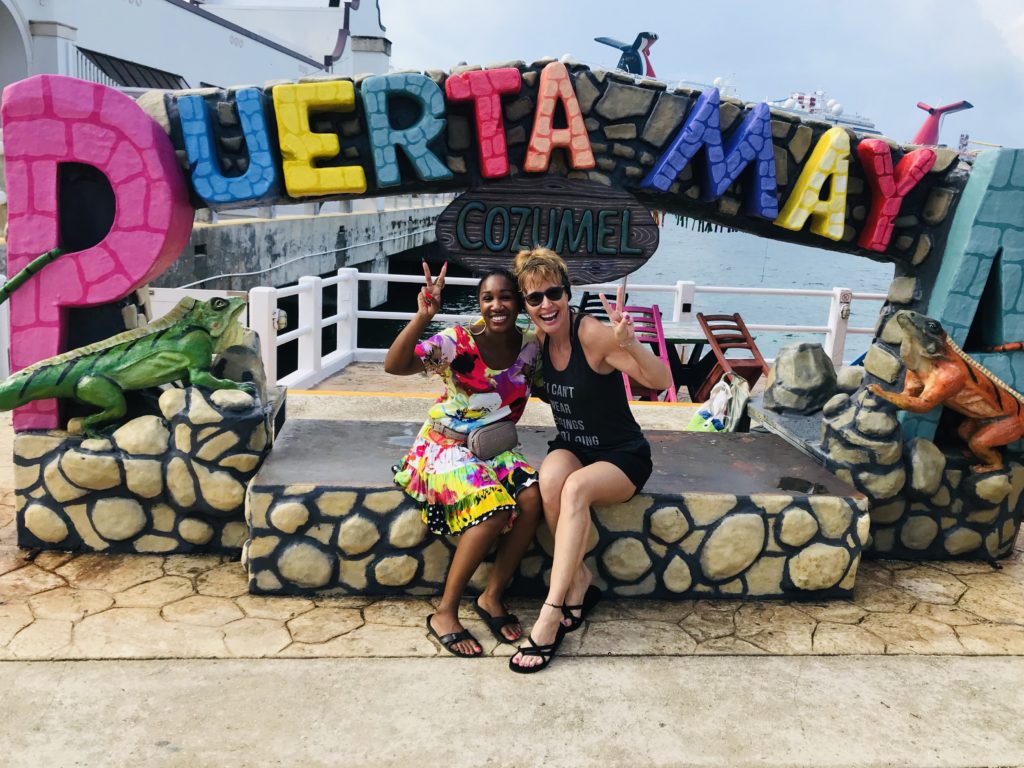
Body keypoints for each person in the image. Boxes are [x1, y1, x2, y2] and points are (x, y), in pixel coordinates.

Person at [508, 248, 672, 673]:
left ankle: (550, 612)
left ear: (567, 292)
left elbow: (660, 381)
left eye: (553, 293)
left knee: (575, 487)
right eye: (534, 298)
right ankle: (579, 578)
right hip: (574, 444)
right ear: (526, 305)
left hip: (621, 454)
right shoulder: (539, 340)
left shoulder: (592, 334)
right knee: (549, 480)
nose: (546, 304)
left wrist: (631, 342)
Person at [385, 261, 543, 657]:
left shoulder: (530, 346)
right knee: (491, 510)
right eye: (488, 298)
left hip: (494, 447)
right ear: (479, 304)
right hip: (443, 446)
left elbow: (554, 383)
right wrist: (424, 316)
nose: (497, 305)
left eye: (506, 296)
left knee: (531, 499)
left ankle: (491, 597)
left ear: (519, 302)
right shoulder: (457, 341)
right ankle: (445, 612)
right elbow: (395, 365)